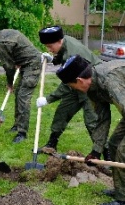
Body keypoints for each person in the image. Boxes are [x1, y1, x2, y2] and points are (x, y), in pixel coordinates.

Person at [56, 54, 125, 205]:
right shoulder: (92, 88)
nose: (76, 91)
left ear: (79, 81)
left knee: (123, 150)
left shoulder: (109, 81)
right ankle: (120, 188)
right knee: (114, 144)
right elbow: (102, 119)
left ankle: (123, 199)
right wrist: (96, 150)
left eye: (73, 87)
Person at [36, 25, 110, 159]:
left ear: (59, 41)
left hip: (90, 83)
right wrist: (53, 59)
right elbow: (64, 59)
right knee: (62, 111)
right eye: (47, 47)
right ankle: (51, 144)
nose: (49, 49)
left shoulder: (72, 52)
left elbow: (66, 84)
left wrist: (48, 99)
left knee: (92, 121)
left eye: (50, 46)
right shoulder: (65, 41)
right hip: (75, 83)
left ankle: (107, 155)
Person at [0, 19, 51, 143]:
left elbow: (8, 66)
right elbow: (15, 52)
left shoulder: (1, 42)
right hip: (24, 63)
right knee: (18, 95)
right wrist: (17, 60)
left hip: (32, 64)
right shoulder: (4, 34)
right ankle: (17, 125)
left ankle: (22, 132)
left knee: (23, 98)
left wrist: (10, 83)